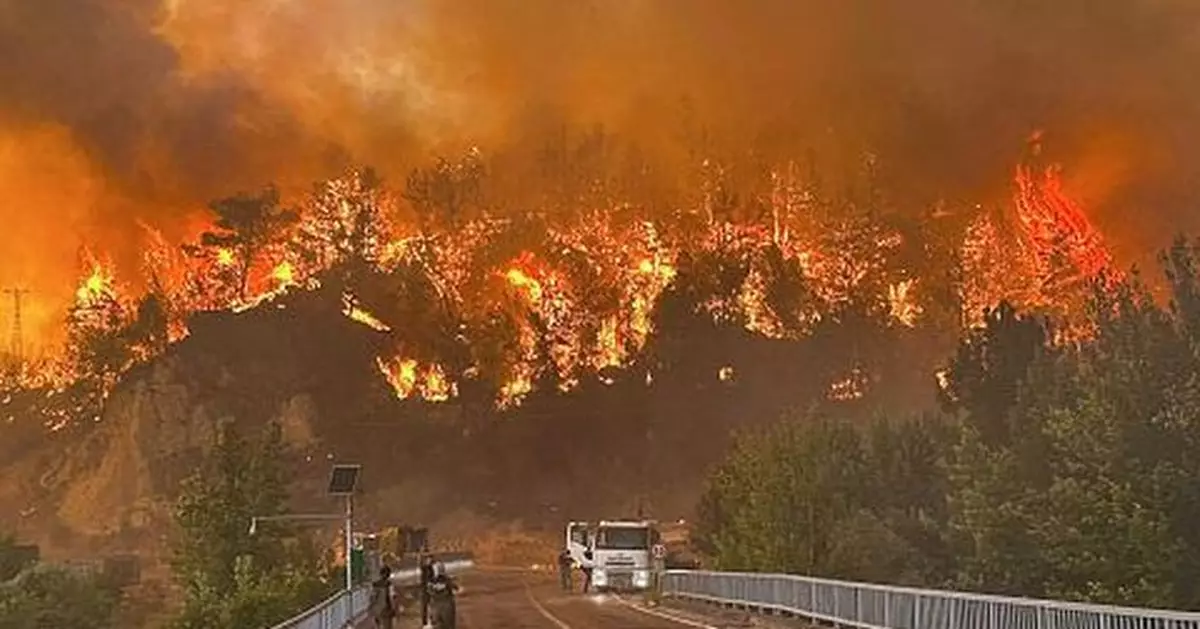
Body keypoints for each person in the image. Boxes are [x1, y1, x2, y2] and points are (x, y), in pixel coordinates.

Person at [425, 561, 460, 629]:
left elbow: (429, 593)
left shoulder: (431, 581)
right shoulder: (446, 580)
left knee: (440, 624)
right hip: (444, 605)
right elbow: (457, 589)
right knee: (447, 624)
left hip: (438, 606)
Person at [419, 553, 435, 627]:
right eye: (429, 559)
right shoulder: (424, 568)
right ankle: (425, 622)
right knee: (425, 606)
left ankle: (430, 620)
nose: (430, 560)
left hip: (429, 589)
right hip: (425, 589)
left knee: (430, 605)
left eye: (431, 559)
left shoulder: (430, 568)